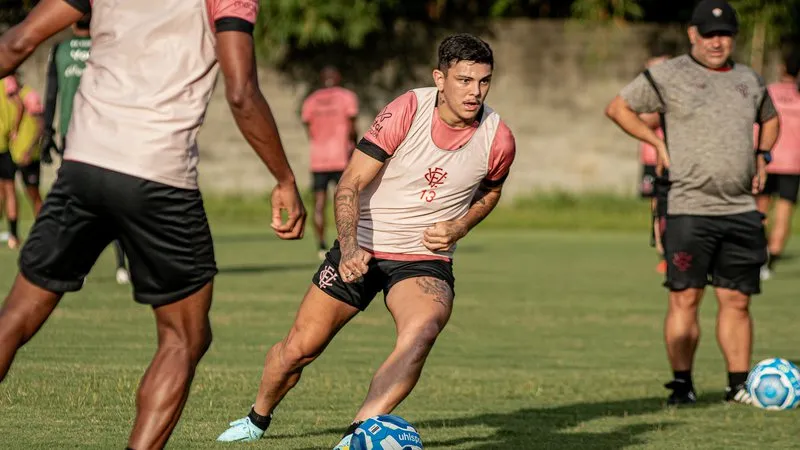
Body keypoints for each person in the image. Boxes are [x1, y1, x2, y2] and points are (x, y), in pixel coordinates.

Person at [0, 0, 306, 449]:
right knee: (185, 337)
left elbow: (17, 41)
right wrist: (283, 177)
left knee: (17, 315)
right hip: (159, 175)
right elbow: (241, 92)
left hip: (82, 166)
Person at [217, 33, 516, 449]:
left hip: (423, 257)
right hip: (364, 243)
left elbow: (491, 191)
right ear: (440, 78)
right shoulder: (406, 110)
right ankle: (256, 418)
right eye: (464, 80)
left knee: (424, 329)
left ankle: (358, 435)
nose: (475, 92)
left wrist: (461, 225)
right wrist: (350, 245)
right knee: (298, 350)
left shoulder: (498, 137)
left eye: (483, 81)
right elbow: (350, 184)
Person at [605, 0, 779, 405]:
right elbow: (619, 108)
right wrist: (655, 141)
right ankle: (682, 385)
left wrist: (762, 155)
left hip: (740, 209)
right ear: (692, 34)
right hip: (686, 207)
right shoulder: (668, 75)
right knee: (685, 296)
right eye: (709, 33)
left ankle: (738, 386)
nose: (717, 42)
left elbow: (770, 117)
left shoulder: (749, 79)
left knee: (736, 300)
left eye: (725, 34)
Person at [41, 12, 130, 284]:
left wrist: (47, 133)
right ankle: (122, 266)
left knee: (72, 203)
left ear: (71, 22)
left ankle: (66, 263)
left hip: (74, 138)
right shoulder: (107, 47)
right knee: (115, 203)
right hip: (106, 135)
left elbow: (52, 94)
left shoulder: (60, 50)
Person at [301, 66, 359, 259]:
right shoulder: (347, 97)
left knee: (319, 203)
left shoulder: (311, 101)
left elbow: (309, 129)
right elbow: (352, 130)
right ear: (338, 78)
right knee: (346, 202)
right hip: (341, 157)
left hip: (318, 159)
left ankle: (320, 246)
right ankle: (346, 242)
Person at [756, 48, 800, 280]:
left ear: (783, 68)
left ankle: (759, 253)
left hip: (768, 159)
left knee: (760, 209)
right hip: (793, 165)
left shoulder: (769, 92)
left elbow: (757, 126)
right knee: (784, 212)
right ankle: (770, 262)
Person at [638, 54, 669, 274]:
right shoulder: (645, 93)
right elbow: (642, 120)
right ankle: (662, 251)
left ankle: (670, 249)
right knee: (656, 205)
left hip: (672, 158)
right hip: (651, 157)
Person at [7, 79, 45, 233]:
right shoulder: (10, 97)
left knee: (34, 195)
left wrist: (30, 150)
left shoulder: (30, 96)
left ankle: (43, 231)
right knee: (9, 190)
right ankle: (13, 233)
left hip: (28, 156)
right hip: (13, 153)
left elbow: (41, 126)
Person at [0, 74, 23, 247]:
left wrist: (14, 129)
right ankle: (13, 236)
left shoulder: (6, 79)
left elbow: (20, 104)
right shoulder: (7, 79)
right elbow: (19, 104)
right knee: (8, 190)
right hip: (4, 146)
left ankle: (13, 234)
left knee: (7, 190)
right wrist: (15, 128)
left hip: (4, 146)